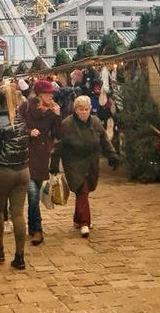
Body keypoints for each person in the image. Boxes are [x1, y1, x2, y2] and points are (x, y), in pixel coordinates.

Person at [50, 95, 120, 237]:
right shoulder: (67, 124)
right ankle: (84, 223)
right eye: (81, 109)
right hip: (73, 162)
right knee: (82, 190)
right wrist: (54, 164)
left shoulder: (95, 122)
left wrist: (112, 155)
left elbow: (104, 140)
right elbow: (58, 145)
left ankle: (78, 218)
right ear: (75, 110)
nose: (84, 112)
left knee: (84, 191)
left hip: (91, 161)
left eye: (86, 109)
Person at [0, 84, 30, 269]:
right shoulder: (21, 120)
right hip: (22, 170)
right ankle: (20, 256)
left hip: (2, 170)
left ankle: (0, 250)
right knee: (18, 213)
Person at [18, 79, 61, 246]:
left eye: (51, 93)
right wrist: (29, 132)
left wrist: (57, 116)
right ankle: (38, 230)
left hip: (42, 157)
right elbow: (17, 127)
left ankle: (32, 227)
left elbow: (58, 134)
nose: (51, 96)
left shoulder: (52, 110)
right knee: (33, 194)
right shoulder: (26, 107)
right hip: (27, 156)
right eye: (48, 93)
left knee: (34, 195)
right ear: (39, 94)